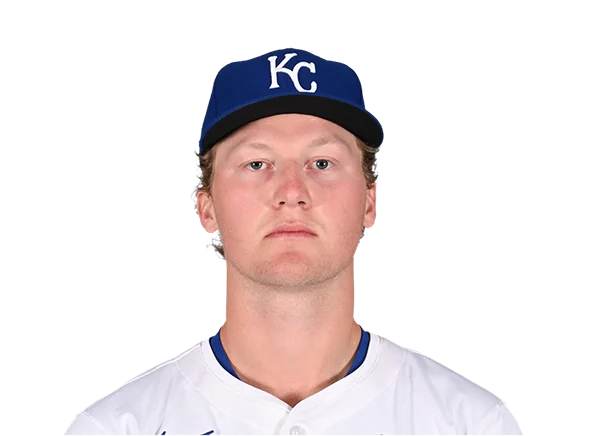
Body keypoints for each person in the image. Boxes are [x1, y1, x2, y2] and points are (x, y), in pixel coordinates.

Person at [65, 48, 523, 436]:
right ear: (206, 209)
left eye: (321, 163)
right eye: (257, 164)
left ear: (369, 203)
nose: (291, 192)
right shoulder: (115, 429)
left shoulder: (471, 425)